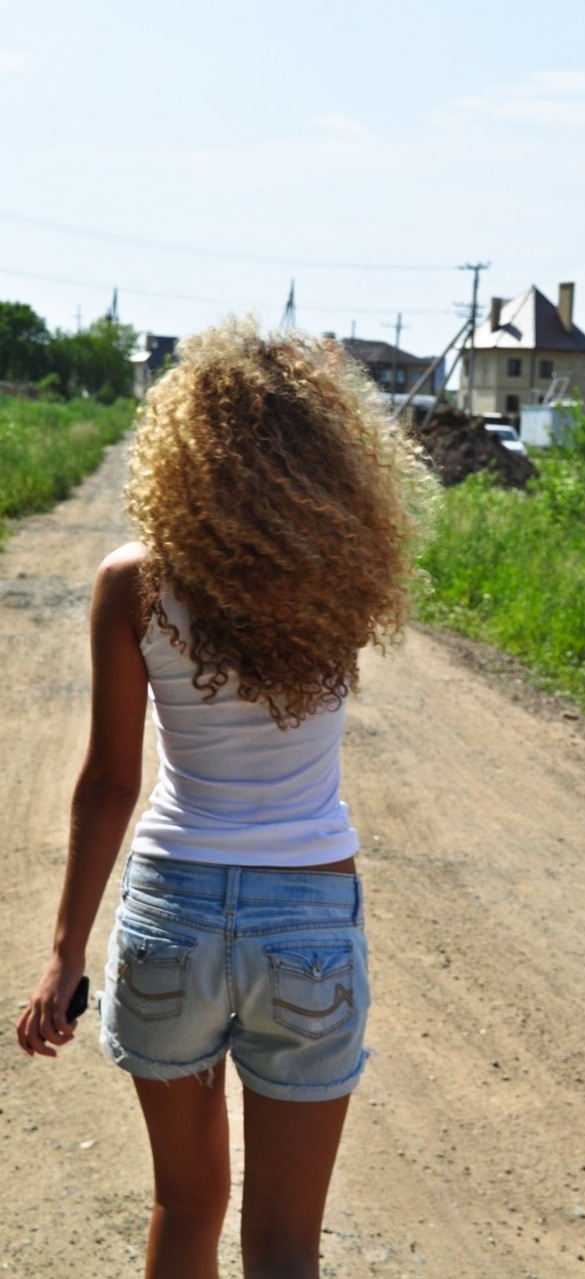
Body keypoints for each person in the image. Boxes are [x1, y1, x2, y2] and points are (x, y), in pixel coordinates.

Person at [17, 319, 434, 1279]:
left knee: (185, 1201)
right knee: (285, 1240)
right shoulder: (341, 578)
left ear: (183, 451)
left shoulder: (134, 581)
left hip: (174, 910)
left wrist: (65, 953)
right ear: (326, 454)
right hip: (309, 913)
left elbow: (111, 780)